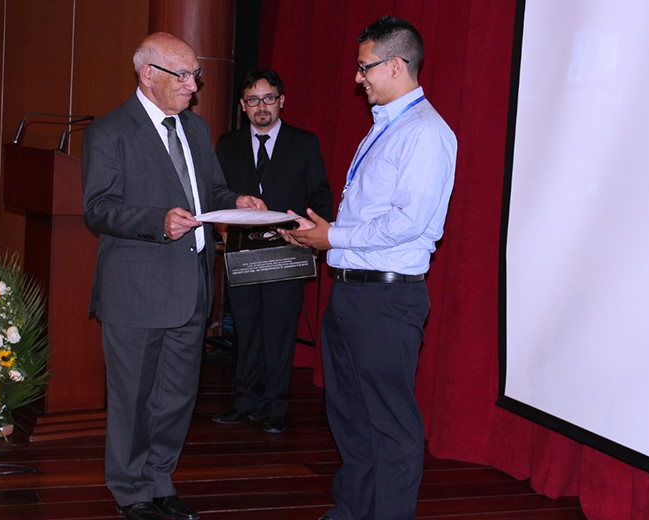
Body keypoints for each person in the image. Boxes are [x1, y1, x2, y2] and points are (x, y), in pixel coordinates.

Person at [81, 32, 265, 520]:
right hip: (136, 291)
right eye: (183, 75)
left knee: (177, 398)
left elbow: (214, 193)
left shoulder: (197, 130)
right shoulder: (110, 131)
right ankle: (131, 491)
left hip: (192, 289)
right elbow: (98, 209)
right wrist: (157, 220)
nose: (193, 85)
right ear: (148, 75)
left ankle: (160, 480)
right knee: (134, 399)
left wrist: (236, 202)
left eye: (195, 74)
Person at [280, 16, 457, 520]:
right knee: (351, 420)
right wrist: (319, 230)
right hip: (354, 295)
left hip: (387, 300)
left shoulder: (424, 134)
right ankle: (351, 512)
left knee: (391, 428)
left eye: (365, 68)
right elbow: (372, 219)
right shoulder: (387, 127)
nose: (358, 79)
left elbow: (407, 223)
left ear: (396, 65)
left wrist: (330, 236)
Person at [212, 69, 333, 434]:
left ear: (282, 100)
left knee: (279, 331)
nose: (261, 106)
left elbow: (321, 195)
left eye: (268, 98)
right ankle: (245, 401)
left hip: (289, 253)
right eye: (252, 100)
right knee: (246, 329)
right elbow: (216, 191)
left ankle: (275, 406)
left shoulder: (305, 143)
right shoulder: (226, 144)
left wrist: (315, 232)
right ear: (242, 106)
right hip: (242, 254)